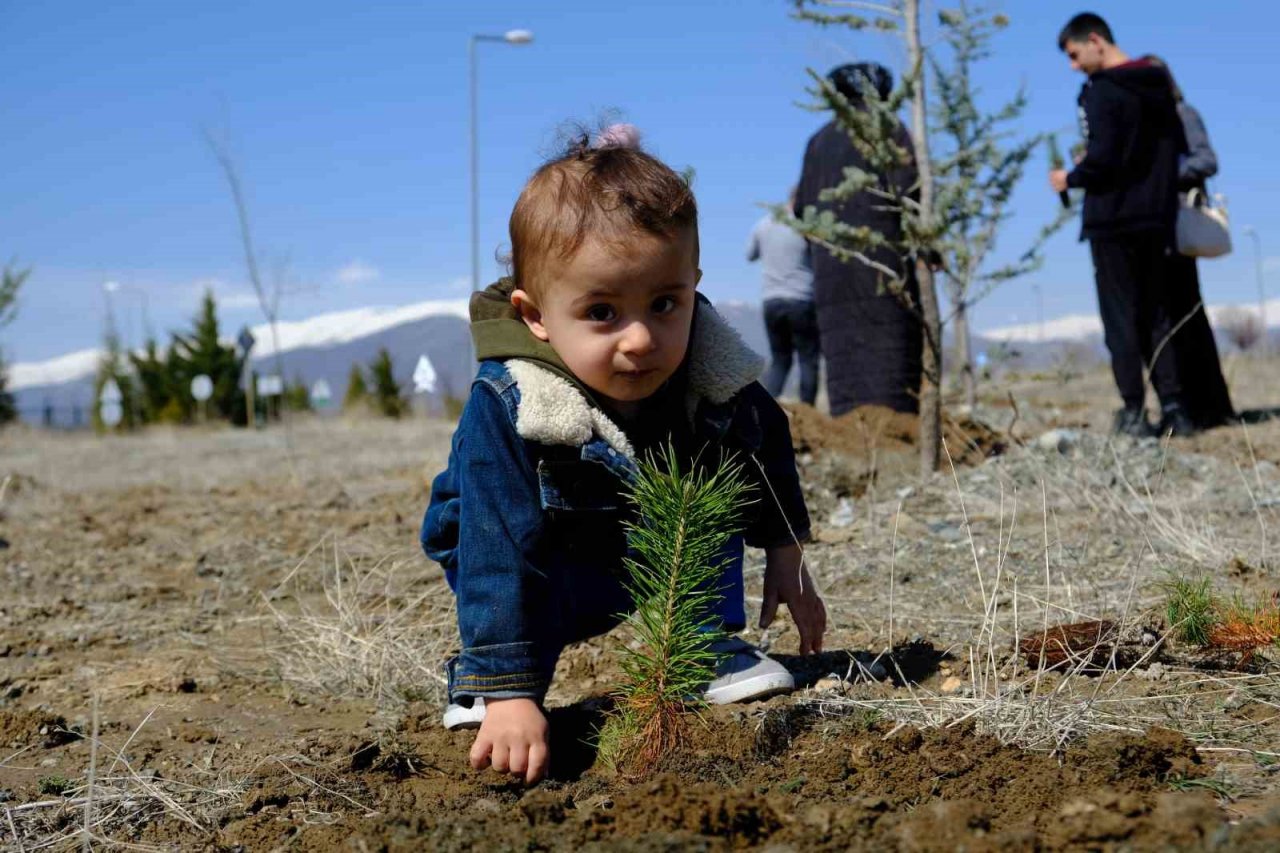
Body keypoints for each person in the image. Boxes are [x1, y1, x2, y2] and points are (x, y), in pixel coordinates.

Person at [421, 133, 826, 785]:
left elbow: (764, 439)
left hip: (637, 539)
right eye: (603, 312)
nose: (641, 338)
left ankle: (704, 647)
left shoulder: (707, 368)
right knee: (524, 627)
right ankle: (485, 676)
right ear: (537, 316)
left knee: (704, 474)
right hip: (527, 552)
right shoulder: (513, 401)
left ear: (694, 284)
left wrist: (785, 550)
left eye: (665, 303)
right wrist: (510, 688)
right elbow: (495, 540)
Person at [1050, 13, 1196, 437]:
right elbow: (1176, 150)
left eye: (1075, 55)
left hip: (1112, 221)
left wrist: (1071, 177)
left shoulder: (1099, 92)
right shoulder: (1159, 85)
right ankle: (1176, 410)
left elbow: (1105, 158)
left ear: (1096, 40)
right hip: (1156, 219)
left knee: (1121, 321)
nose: (1074, 66)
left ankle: (1133, 413)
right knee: (1158, 315)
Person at [794, 63, 923, 416]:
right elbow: (912, 192)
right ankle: (897, 428)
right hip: (884, 260)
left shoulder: (817, 142)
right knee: (893, 348)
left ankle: (853, 427)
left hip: (829, 266)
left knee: (843, 353)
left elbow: (802, 210)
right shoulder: (891, 130)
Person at [1144, 55, 1236, 430]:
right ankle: (1190, 405)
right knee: (1168, 315)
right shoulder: (1147, 125)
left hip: (1179, 225)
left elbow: (1206, 160)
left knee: (1187, 314)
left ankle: (1212, 407)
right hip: (1155, 229)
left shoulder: (1183, 113)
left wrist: (1162, 174)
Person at [747, 191, 819, 405]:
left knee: (780, 359)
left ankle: (766, 408)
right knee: (808, 359)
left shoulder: (764, 224)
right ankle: (808, 410)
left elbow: (749, 254)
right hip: (802, 299)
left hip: (771, 300)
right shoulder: (806, 227)